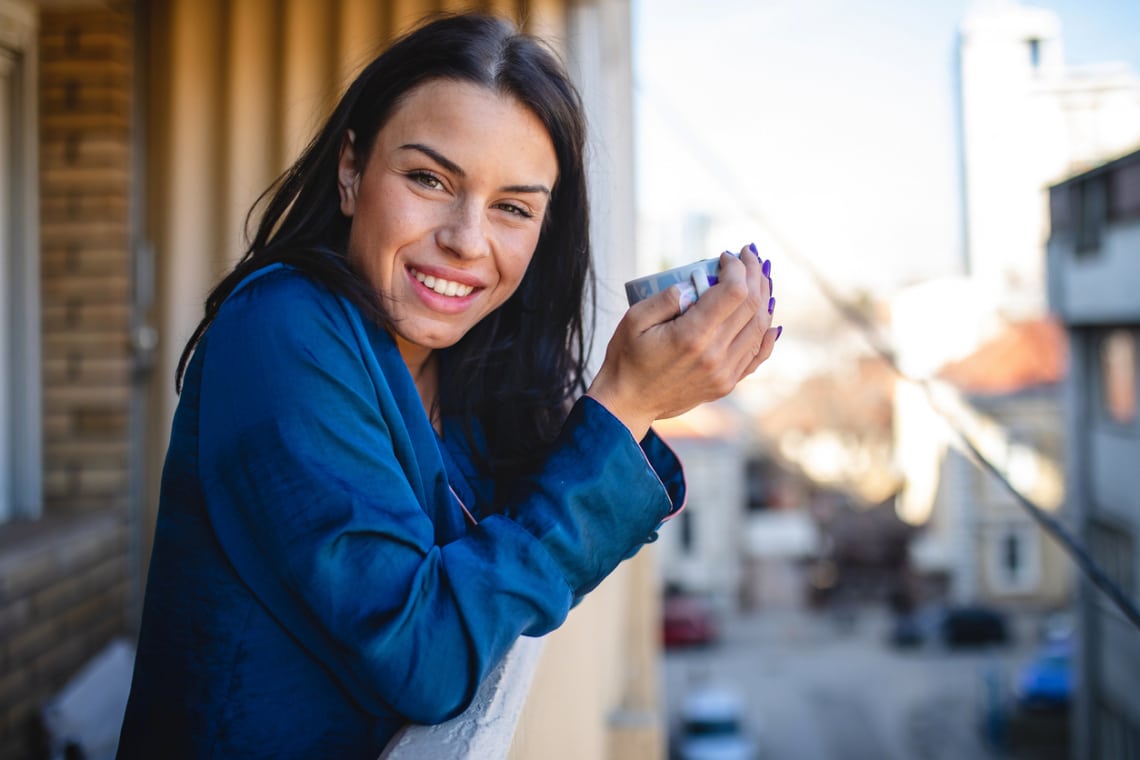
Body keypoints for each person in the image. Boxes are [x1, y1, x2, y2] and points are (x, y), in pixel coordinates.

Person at [117, 12, 779, 760]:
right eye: (429, 179)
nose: (467, 239)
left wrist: (650, 389)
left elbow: (511, 581)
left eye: (513, 208)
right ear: (350, 172)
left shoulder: (466, 371)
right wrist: (623, 406)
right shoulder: (281, 328)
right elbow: (424, 659)